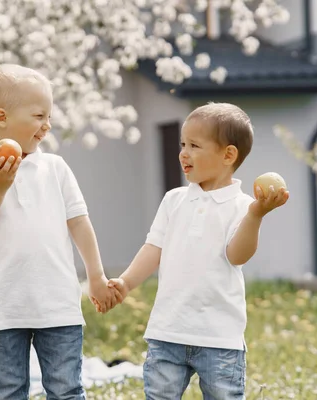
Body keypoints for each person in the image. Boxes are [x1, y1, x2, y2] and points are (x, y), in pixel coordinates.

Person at [0, 63, 120, 399]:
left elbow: (79, 222)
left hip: (56, 302)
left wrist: (97, 277)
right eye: (38, 116)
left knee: (65, 388)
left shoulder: (54, 167)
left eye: (49, 117)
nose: (47, 125)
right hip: (1, 307)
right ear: (2, 118)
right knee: (7, 390)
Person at [107, 103, 289, 399]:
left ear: (228, 155)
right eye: (182, 144)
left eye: (194, 145)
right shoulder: (174, 200)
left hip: (219, 337)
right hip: (168, 330)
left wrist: (256, 214)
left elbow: (237, 255)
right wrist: (126, 283)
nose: (183, 153)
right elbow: (154, 247)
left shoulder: (243, 206)